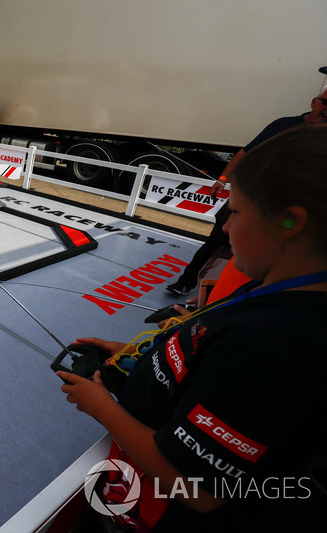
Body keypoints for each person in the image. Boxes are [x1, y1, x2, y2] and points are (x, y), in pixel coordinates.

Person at [58, 125, 327, 532]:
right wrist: (138, 354)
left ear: (290, 223)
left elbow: (198, 488)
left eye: (234, 212)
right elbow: (216, 359)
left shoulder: (278, 344)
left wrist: (101, 406)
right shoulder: (277, 292)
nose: (225, 229)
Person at [166, 85, 327, 296]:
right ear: (314, 102)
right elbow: (247, 152)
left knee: (259, 260)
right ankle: (186, 283)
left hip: (283, 212)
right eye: (326, 103)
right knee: (218, 240)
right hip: (252, 200)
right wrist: (223, 179)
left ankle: (223, 299)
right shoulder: (283, 125)